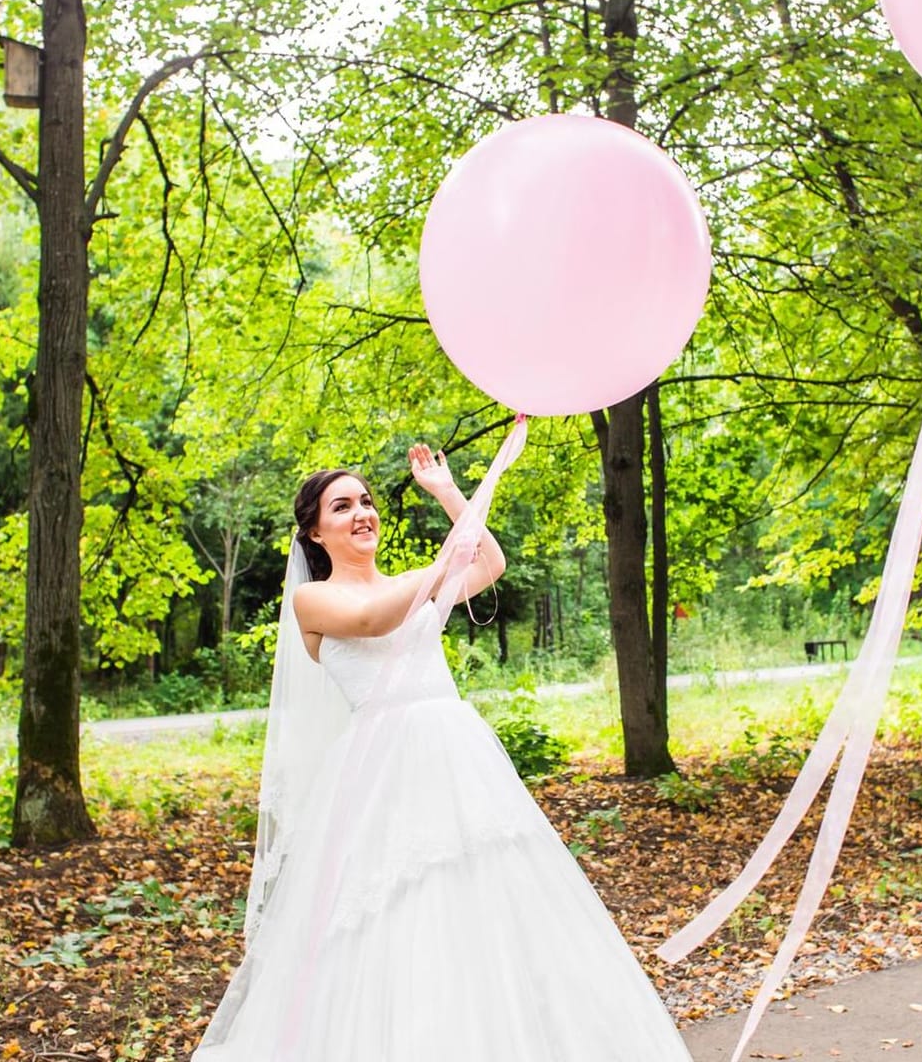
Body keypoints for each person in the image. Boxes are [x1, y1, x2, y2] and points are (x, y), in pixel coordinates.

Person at [194, 444, 692, 1062]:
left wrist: (450, 493)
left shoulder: (411, 585)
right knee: (397, 910)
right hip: (382, 770)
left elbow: (490, 562)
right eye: (342, 506)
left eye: (367, 501)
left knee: (488, 895)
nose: (362, 514)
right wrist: (442, 565)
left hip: (455, 755)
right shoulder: (314, 601)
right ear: (315, 532)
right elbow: (376, 620)